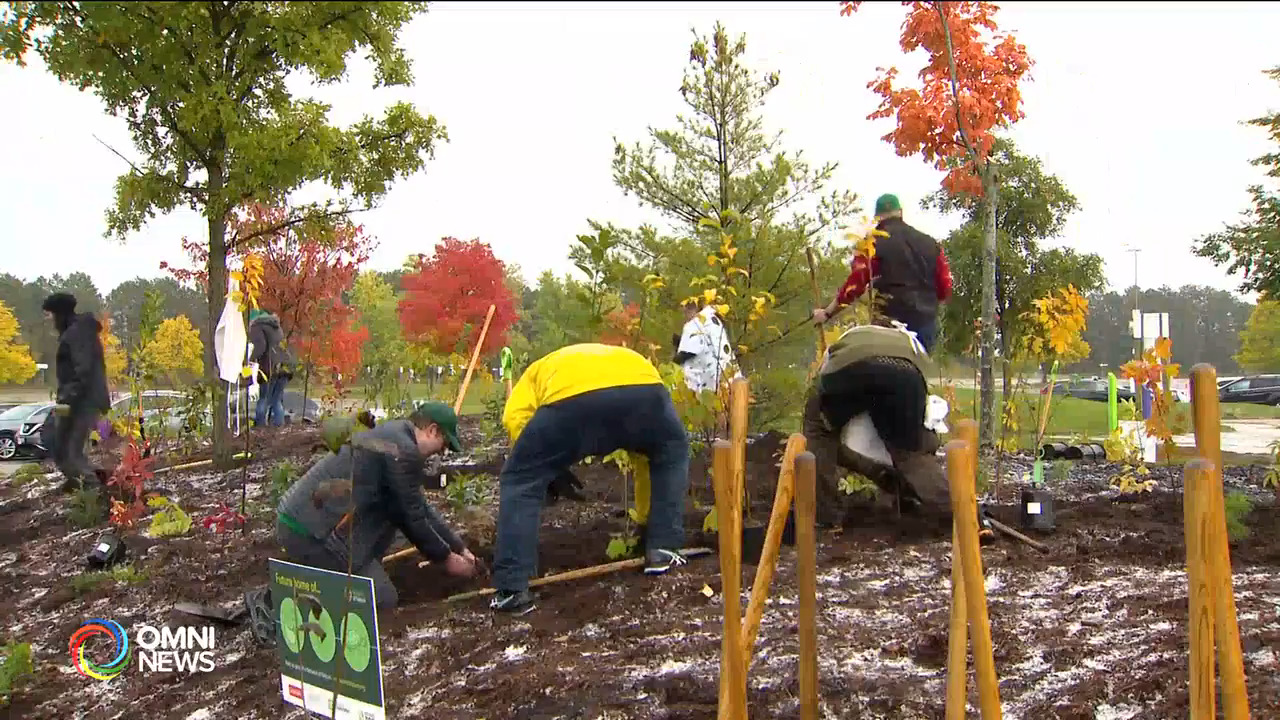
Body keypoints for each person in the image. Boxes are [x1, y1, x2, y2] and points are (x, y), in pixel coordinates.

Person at [490, 343, 691, 615]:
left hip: (572, 400)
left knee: (519, 479)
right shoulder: (617, 356)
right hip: (645, 390)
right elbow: (647, 465)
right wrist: (647, 526)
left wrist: (548, 467)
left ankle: (511, 588)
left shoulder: (535, 372)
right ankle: (663, 548)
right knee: (667, 452)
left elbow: (515, 417)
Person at [271, 402, 479, 612]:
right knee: (382, 599)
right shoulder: (403, 451)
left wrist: (458, 546)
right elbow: (412, 519)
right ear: (432, 430)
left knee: (389, 514)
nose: (440, 454)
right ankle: (308, 601)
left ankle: (329, 582)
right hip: (310, 533)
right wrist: (447, 559)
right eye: (443, 446)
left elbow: (419, 507)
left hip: (303, 522)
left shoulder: (396, 435)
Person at [804, 322, 987, 537]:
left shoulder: (849, 338)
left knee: (819, 433)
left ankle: (826, 517)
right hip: (906, 378)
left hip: (852, 373)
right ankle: (968, 515)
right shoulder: (902, 338)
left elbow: (824, 381)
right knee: (910, 455)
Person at [812, 194, 953, 352]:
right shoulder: (931, 243)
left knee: (883, 370)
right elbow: (945, 286)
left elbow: (855, 284)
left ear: (877, 218)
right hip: (925, 322)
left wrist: (827, 313)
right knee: (919, 371)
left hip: (889, 322)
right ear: (900, 212)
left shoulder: (871, 243)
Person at [41, 293, 110, 493]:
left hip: (82, 401)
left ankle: (94, 494)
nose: (49, 321)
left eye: (50, 315)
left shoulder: (77, 334)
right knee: (58, 445)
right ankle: (79, 484)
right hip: (74, 400)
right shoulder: (74, 332)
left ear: (59, 314)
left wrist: (67, 398)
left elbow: (83, 371)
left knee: (71, 453)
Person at [674, 301, 737, 393]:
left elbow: (686, 354)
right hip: (730, 384)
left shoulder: (694, 324)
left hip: (709, 389)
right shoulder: (714, 320)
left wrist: (671, 364)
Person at [247, 308, 293, 427]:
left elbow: (260, 347)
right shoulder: (276, 326)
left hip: (269, 368)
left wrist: (249, 359)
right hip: (284, 367)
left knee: (263, 399)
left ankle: (260, 429)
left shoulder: (257, 327)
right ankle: (279, 429)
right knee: (276, 401)